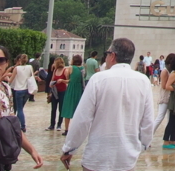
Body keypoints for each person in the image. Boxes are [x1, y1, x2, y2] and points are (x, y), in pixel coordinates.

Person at [60, 39, 155, 171]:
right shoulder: (143, 81)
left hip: (97, 157)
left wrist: (69, 149)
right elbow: (148, 120)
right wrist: (143, 145)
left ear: (113, 55)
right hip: (126, 159)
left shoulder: (98, 79)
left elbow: (82, 118)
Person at [6, 54, 35, 131]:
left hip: (18, 89)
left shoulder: (17, 68)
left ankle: (22, 125)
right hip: (27, 90)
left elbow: (10, 81)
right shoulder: (30, 67)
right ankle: (19, 124)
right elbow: (31, 77)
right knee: (21, 108)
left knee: (19, 109)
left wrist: (7, 77)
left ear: (19, 60)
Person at [59, 54, 85, 135]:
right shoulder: (82, 68)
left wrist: (62, 80)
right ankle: (77, 129)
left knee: (68, 109)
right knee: (78, 109)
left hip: (71, 89)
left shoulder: (71, 68)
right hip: (79, 90)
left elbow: (69, 80)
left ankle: (67, 129)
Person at [47, 57, 67, 131]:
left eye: (55, 63)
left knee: (61, 108)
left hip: (62, 91)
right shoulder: (55, 70)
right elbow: (52, 79)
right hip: (55, 91)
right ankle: (52, 125)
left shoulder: (65, 70)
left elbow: (68, 80)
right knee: (53, 108)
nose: (53, 64)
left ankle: (59, 124)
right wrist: (51, 84)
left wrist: (62, 80)